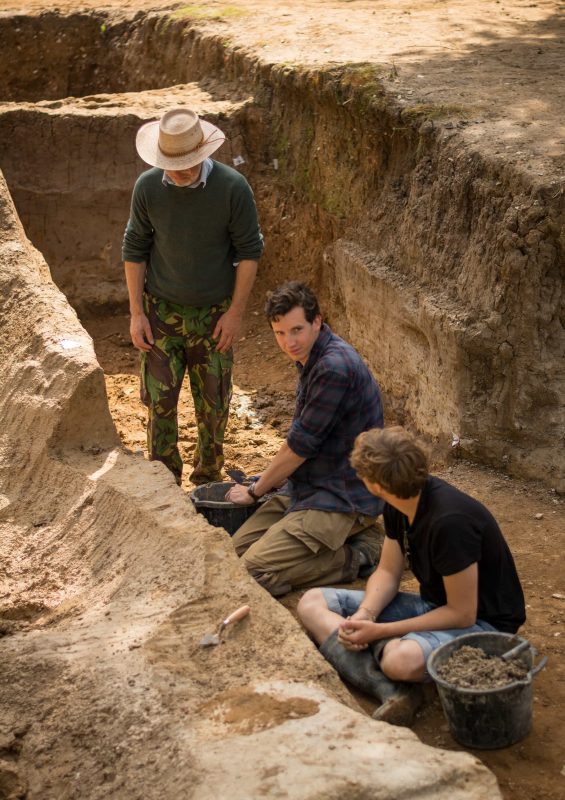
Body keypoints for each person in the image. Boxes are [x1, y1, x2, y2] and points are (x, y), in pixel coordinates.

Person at [297, 426, 526, 726]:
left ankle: (383, 667)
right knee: (312, 602)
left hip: (485, 625)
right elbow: (389, 572)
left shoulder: (450, 523)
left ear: (376, 485)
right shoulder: (400, 502)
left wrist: (380, 631)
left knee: (400, 660)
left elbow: (462, 614)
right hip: (435, 607)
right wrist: (366, 614)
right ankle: (391, 688)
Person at [122, 108, 264, 485]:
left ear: (204, 153)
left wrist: (234, 313)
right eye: (171, 163)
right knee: (159, 402)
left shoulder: (233, 188)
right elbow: (134, 249)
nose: (179, 170)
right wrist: (137, 313)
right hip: (160, 314)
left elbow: (249, 252)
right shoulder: (148, 188)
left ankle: (208, 478)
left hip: (214, 316)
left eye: (187, 162)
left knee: (214, 405)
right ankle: (163, 480)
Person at [227, 281, 385, 596]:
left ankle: (361, 553)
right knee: (228, 558)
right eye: (280, 333)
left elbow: (299, 446)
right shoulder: (311, 357)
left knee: (250, 573)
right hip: (308, 486)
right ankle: (341, 544)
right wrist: (266, 482)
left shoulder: (332, 369)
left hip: (343, 497)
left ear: (317, 321)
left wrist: (256, 490)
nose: (289, 342)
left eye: (297, 330)